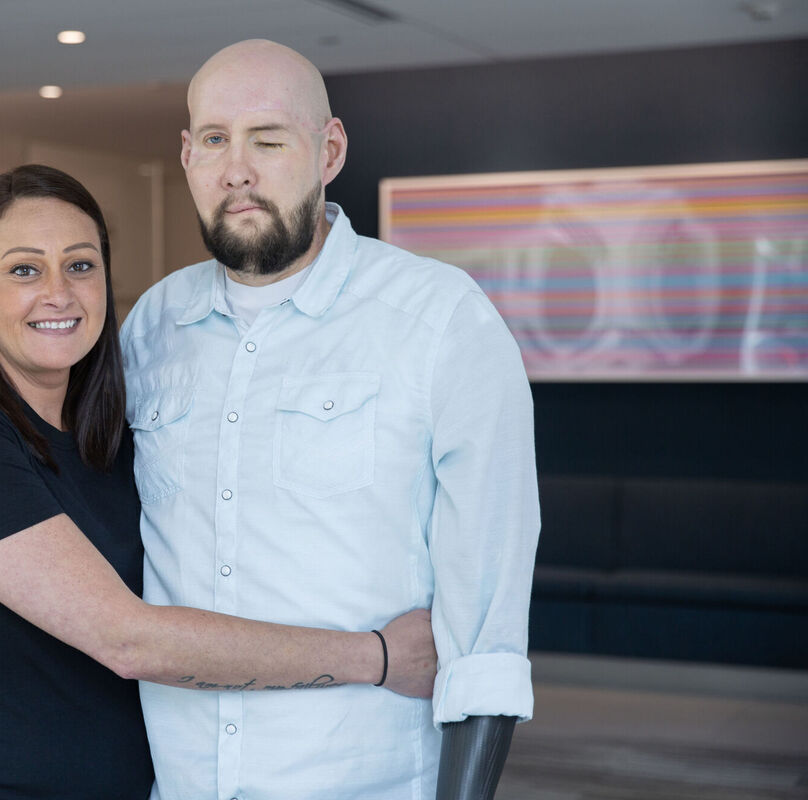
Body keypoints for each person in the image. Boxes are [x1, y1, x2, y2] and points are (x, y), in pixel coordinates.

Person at [0, 164, 438, 799]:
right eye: (24, 270)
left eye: (80, 266)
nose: (58, 293)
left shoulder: (107, 441)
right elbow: (128, 639)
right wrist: (378, 657)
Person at [119, 41, 541, 799]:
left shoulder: (441, 319)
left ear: (330, 151)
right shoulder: (151, 326)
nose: (236, 170)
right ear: (186, 156)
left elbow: (487, 622)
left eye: (268, 140)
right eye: (214, 139)